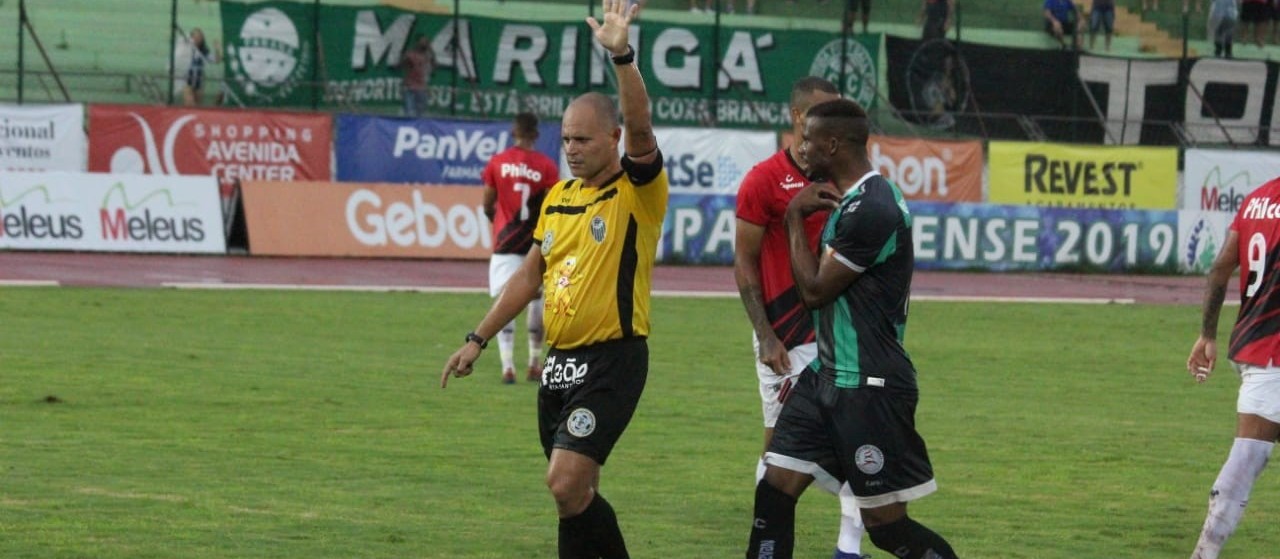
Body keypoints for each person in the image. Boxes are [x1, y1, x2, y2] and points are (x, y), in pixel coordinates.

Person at [441, 2, 667, 558]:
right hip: (561, 365)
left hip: (613, 358)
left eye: (583, 140)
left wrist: (621, 55)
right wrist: (478, 338)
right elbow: (529, 274)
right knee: (574, 494)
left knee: (564, 483)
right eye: (565, 139)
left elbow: (641, 124)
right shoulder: (559, 198)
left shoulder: (637, 191)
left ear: (611, 139)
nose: (570, 149)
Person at [745, 98, 958, 559]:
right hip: (826, 376)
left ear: (834, 144)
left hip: (868, 386)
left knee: (886, 528)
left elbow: (816, 291)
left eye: (809, 141)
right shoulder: (853, 201)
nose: (802, 149)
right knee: (774, 489)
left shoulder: (874, 207)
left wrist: (792, 219)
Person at [734, 77, 869, 559]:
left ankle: (846, 548)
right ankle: (769, 537)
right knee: (782, 447)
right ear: (798, 119)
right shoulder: (763, 180)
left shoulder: (843, 179)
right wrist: (766, 336)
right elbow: (744, 261)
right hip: (786, 339)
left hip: (839, 337)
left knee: (855, 441)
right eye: (819, 116)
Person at [1186, 175, 1280, 559]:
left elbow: (1222, 266)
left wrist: (1207, 333)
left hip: (1252, 346)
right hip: (1273, 352)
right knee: (1246, 458)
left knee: (1249, 454)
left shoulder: (1257, 199)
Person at [481, 112, 560, 385]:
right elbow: (553, 204)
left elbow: (487, 202)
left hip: (505, 241)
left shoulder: (497, 163)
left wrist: (495, 220)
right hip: (534, 241)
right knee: (536, 300)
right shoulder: (547, 167)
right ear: (536, 134)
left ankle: (507, 367)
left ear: (513, 132)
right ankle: (535, 363)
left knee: (506, 300)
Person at [173, 28, 219, 106]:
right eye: (195, 37)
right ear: (192, 37)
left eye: (200, 37)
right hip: (187, 79)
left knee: (197, 106)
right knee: (189, 103)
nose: (198, 39)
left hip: (199, 81)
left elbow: (216, 60)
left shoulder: (204, 51)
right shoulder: (186, 47)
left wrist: (217, 49)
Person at [399, 35, 434, 118]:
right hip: (409, 87)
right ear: (417, 43)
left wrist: (431, 52)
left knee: (421, 113)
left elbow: (433, 68)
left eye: (426, 42)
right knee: (409, 112)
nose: (424, 44)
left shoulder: (428, 56)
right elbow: (401, 65)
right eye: (422, 42)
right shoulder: (410, 54)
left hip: (422, 88)